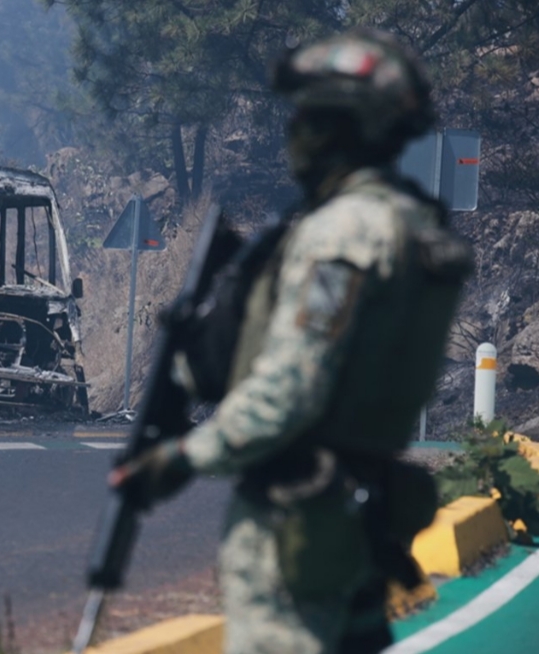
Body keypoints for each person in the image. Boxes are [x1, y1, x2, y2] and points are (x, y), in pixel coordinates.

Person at [112, 28, 473, 654]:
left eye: (308, 117)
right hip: (362, 513)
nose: (294, 134)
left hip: (298, 519)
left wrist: (184, 457)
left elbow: (293, 387)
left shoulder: (342, 236)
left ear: (342, 129)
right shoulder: (412, 224)